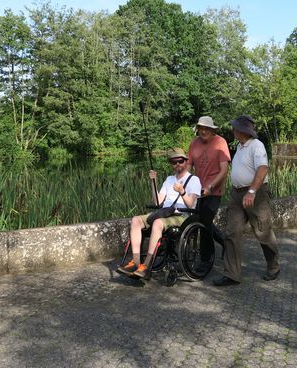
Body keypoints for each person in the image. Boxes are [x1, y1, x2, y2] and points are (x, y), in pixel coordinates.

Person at [213, 115, 280, 286]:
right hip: (237, 194)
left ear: (242, 130)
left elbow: (263, 168)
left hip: (255, 193)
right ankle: (232, 274)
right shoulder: (241, 147)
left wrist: (251, 191)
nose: (233, 130)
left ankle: (273, 266)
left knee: (262, 230)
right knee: (232, 231)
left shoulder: (256, 146)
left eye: (235, 128)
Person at [117, 148, 201, 278]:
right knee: (135, 220)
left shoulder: (194, 180)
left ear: (185, 161)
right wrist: (153, 182)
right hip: (164, 213)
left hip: (182, 215)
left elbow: (190, 204)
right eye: (174, 162)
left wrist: (182, 192)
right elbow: (157, 202)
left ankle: (146, 265)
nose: (177, 164)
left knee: (157, 223)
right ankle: (135, 262)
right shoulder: (169, 179)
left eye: (180, 161)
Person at [187, 116, 231, 260]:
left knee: (205, 224)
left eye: (206, 128)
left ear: (212, 130)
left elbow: (224, 170)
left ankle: (206, 260)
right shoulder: (194, 144)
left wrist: (210, 187)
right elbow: (188, 166)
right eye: (201, 128)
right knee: (199, 220)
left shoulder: (220, 142)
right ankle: (224, 241)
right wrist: (184, 182)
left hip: (214, 191)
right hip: (197, 191)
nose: (203, 131)